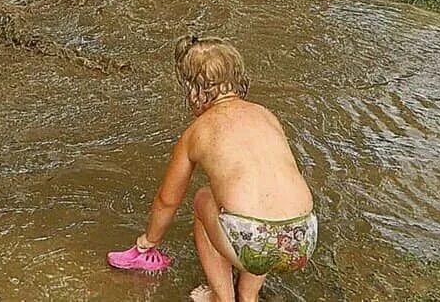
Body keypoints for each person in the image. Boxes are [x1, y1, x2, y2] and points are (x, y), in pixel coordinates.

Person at [127, 35, 317, 302]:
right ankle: (248, 296)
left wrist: (149, 240)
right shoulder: (266, 115)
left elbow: (167, 200)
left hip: (256, 244)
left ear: (193, 90)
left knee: (204, 198)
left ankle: (221, 297)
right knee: (264, 201)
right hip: (303, 238)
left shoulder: (196, 132)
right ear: (238, 80)